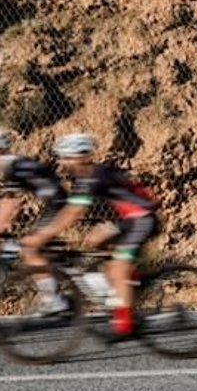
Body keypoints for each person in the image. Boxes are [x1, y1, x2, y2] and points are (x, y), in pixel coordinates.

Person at [37, 132, 159, 338]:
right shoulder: (83, 178)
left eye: (66, 157)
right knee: (96, 242)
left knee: (118, 266)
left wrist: (44, 234)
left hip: (143, 218)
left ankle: (125, 326)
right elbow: (70, 208)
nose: (63, 162)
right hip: (129, 220)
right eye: (62, 157)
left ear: (81, 156)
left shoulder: (95, 175)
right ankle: (131, 281)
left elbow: (74, 212)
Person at [0, 130, 71, 314]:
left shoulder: (12, 167)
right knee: (41, 249)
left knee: (30, 249)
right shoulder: (14, 164)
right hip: (56, 203)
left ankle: (54, 300)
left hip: (58, 205)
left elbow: (11, 202)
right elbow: (7, 200)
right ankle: (66, 282)